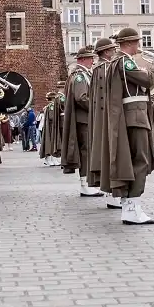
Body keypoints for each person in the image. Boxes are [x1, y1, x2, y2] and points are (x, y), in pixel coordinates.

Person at [96, 27, 154, 225]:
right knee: (140, 161)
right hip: (134, 116)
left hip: (132, 116)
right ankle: (133, 207)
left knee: (133, 161)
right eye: (136, 42)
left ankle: (130, 207)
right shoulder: (124, 62)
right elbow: (147, 79)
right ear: (128, 43)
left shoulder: (119, 62)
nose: (139, 45)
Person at [61, 45, 102, 197]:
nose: (93, 61)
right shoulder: (79, 75)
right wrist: (98, 107)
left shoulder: (84, 74)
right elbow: (82, 98)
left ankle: (87, 183)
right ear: (83, 59)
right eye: (91, 58)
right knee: (86, 152)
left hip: (85, 119)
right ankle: (85, 184)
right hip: (84, 120)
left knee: (88, 151)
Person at [86, 37, 117, 204]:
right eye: (112, 49)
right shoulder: (105, 68)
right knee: (111, 153)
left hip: (100, 116)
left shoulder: (98, 68)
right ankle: (113, 194)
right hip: (107, 117)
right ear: (105, 52)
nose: (114, 52)